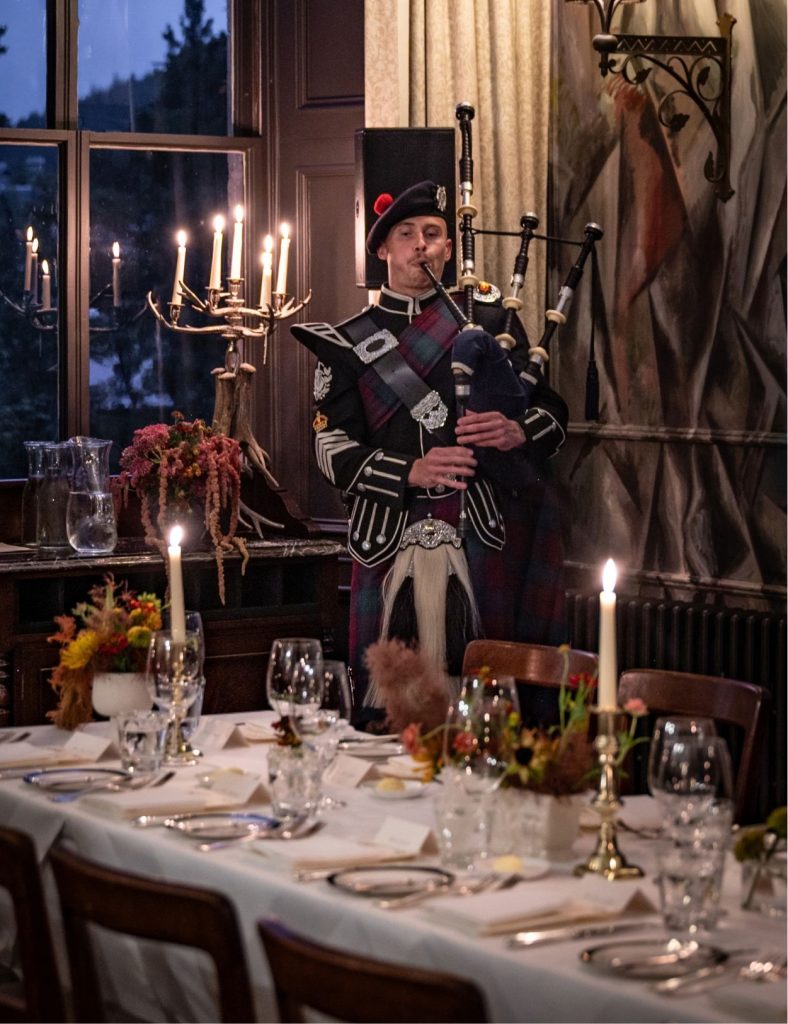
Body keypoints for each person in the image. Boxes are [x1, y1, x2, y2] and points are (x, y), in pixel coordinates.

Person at [291, 180, 568, 709]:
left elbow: (552, 412)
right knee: (385, 709)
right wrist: (410, 471)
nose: (421, 243)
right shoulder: (347, 341)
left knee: (486, 704)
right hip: (387, 535)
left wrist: (517, 431)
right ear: (383, 250)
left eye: (433, 233)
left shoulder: (492, 322)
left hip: (480, 527)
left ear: (447, 248)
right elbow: (330, 446)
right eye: (406, 233)